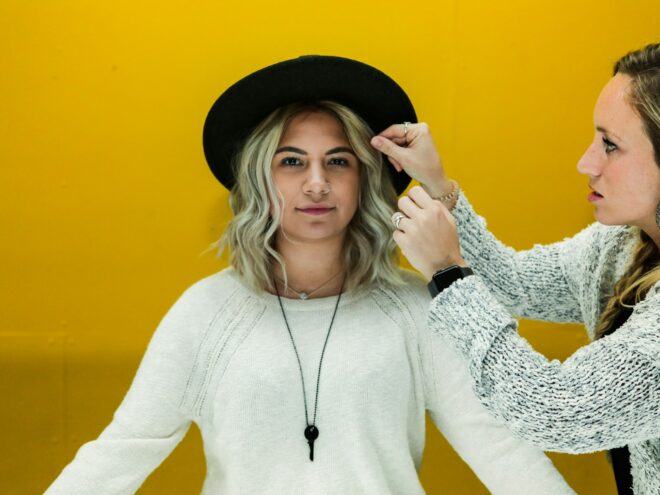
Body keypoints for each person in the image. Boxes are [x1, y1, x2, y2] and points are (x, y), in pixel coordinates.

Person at [44, 56, 575, 494]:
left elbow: (501, 450)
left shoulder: (417, 309)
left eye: (338, 161)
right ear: (260, 178)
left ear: (363, 178)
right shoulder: (205, 313)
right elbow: (121, 452)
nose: (316, 183)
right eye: (292, 162)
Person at [373, 44, 660, 495]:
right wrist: (437, 184)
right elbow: (515, 283)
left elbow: (557, 411)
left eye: (610, 145)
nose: (586, 163)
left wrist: (447, 274)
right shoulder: (622, 244)